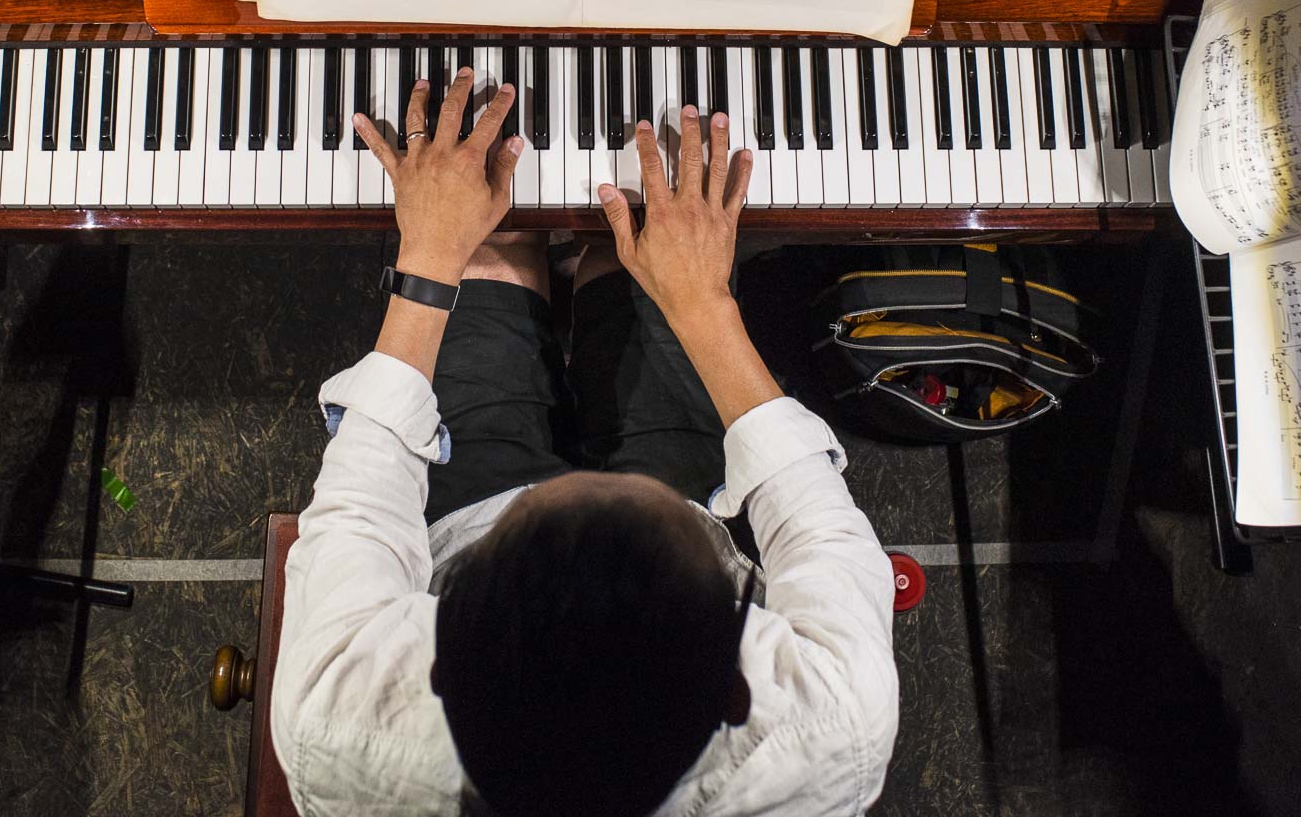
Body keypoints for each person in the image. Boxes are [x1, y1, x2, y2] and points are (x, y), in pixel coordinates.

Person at [272, 67, 899, 816]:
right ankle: (597, 272)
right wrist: (701, 301)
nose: (573, 484)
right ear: (740, 687)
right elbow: (812, 519)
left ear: (431, 669)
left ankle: (530, 271)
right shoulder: (833, 724)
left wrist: (434, 255)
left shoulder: (340, 719)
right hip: (674, 514)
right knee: (628, 240)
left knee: (494, 245)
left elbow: (363, 504)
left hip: (463, 520)